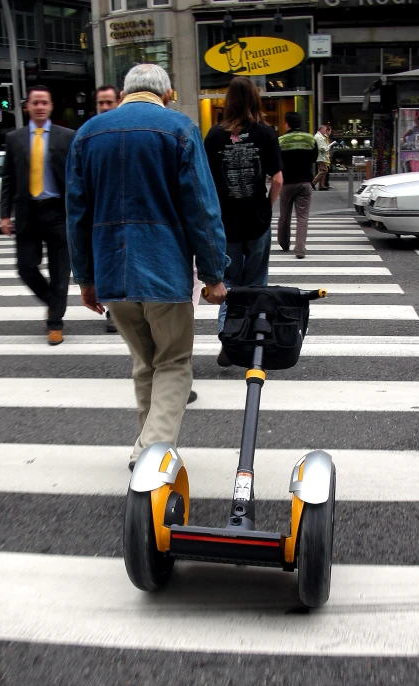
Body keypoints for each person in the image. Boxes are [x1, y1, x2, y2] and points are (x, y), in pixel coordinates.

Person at [66, 64, 228, 471]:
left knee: (144, 361)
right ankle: (150, 454)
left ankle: (147, 451)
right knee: (173, 361)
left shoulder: (87, 134)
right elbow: (202, 210)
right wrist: (212, 274)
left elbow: (76, 213)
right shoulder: (179, 129)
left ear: (123, 93)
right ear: (167, 94)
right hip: (163, 267)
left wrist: (85, 278)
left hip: (112, 269)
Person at [204, 76, 283, 366]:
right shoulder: (265, 133)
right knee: (256, 284)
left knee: (230, 283)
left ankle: (228, 337)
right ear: (255, 99)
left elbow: (207, 183)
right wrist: (267, 206)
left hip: (226, 224)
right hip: (257, 221)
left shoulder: (213, 136)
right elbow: (277, 179)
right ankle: (251, 344)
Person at [0, 85, 75, 346]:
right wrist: (4, 215)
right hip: (27, 212)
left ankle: (55, 323)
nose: (40, 106)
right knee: (25, 267)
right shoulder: (15, 138)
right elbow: (8, 177)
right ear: (27, 107)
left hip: (58, 212)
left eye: (45, 102)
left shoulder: (67, 137)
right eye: (36, 103)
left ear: (51, 106)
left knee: (60, 272)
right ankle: (53, 302)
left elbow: (75, 177)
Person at [94, 84, 120, 334]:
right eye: (100, 103)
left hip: (123, 210)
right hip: (101, 213)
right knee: (109, 263)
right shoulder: (89, 135)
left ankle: (119, 310)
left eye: (108, 102)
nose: (104, 107)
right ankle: (114, 309)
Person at [277, 112, 318, 260]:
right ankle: (300, 249)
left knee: (284, 215)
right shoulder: (310, 139)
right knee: (302, 217)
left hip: (287, 183)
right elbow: (314, 158)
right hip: (305, 182)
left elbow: (277, 161)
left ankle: (284, 243)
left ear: (287, 124)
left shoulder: (281, 141)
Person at [312, 124, 332, 191]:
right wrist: (328, 147)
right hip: (320, 156)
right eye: (324, 130)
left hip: (322, 156)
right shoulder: (318, 137)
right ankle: (313, 183)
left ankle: (321, 186)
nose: (325, 131)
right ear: (321, 129)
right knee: (324, 170)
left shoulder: (320, 136)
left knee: (322, 170)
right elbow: (321, 147)